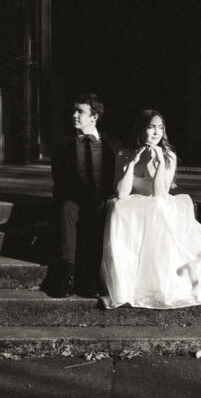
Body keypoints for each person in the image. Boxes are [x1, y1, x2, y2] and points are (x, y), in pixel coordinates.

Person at [100, 108, 201, 308]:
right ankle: (123, 287)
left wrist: (160, 162)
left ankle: (154, 284)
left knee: (157, 206)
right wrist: (133, 163)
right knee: (118, 208)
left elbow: (159, 194)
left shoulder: (168, 155)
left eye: (160, 128)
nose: (156, 133)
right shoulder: (124, 154)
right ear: (140, 130)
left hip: (157, 204)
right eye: (151, 127)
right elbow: (121, 193)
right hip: (133, 205)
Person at [49, 92, 120, 297]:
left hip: (102, 199)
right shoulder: (63, 145)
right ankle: (67, 275)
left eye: (80, 111)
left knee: (103, 211)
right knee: (66, 208)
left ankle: (91, 277)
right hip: (75, 199)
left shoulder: (113, 144)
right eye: (74, 110)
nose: (74, 115)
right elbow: (59, 181)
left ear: (94, 117)